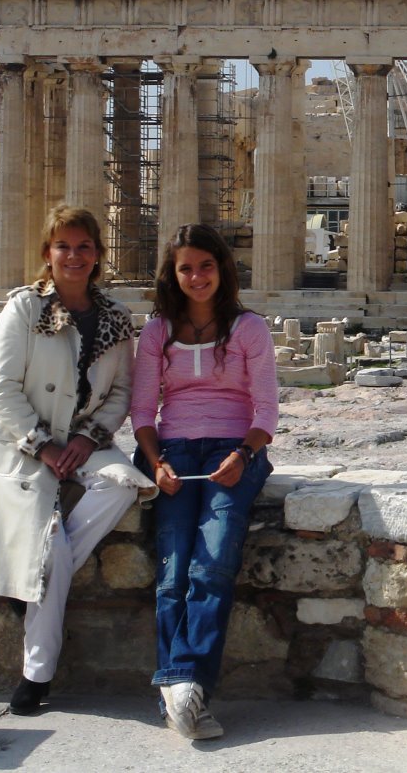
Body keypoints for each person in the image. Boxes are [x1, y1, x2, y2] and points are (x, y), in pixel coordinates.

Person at [0, 205, 157, 716]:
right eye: (63, 247)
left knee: (123, 484)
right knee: (49, 555)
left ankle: (38, 583)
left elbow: (120, 392)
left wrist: (90, 437)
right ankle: (37, 675)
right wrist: (43, 444)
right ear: (47, 254)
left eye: (84, 247)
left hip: (84, 443)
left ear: (97, 255)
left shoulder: (116, 316)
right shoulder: (24, 309)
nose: (74, 256)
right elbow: (1, 390)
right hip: (24, 445)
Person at [130, 224, 278, 740]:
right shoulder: (155, 333)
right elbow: (143, 410)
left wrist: (242, 454)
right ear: (173, 274)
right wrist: (155, 463)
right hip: (171, 452)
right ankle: (187, 697)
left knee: (212, 563)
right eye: (186, 267)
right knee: (173, 571)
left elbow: (266, 412)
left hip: (236, 449)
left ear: (222, 269)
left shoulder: (249, 329)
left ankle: (181, 684)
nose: (197, 276)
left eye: (206, 265)